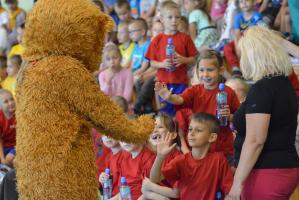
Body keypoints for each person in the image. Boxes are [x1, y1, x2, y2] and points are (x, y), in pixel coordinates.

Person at [226, 26, 299, 200]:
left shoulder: (263, 88)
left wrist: (237, 183)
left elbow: (255, 140)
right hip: (281, 167)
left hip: (268, 170)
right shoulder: (284, 84)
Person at [155, 49, 240, 156]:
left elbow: (240, 116)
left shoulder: (229, 92)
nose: (205, 74)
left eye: (210, 70)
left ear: (221, 70)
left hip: (223, 148)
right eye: (201, 70)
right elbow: (180, 99)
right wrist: (168, 97)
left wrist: (229, 117)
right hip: (200, 148)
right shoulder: (194, 91)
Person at [150, 112, 233, 199]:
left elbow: (229, 191)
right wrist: (160, 156)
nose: (191, 133)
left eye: (198, 130)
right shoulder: (181, 160)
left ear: (212, 137)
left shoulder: (218, 160)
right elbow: (155, 178)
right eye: (190, 129)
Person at [146, 0, 198, 116]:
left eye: (177, 17)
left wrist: (183, 60)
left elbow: (194, 59)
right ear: (162, 19)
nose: (174, 21)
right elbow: (152, 63)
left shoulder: (185, 38)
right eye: (170, 17)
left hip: (181, 82)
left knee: (182, 113)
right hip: (163, 84)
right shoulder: (157, 40)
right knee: (167, 114)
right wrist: (162, 64)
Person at [142, 112, 181, 199]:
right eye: (152, 127)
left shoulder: (178, 158)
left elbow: (177, 193)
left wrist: (151, 187)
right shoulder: (154, 155)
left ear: (173, 134)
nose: (154, 130)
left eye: (160, 127)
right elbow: (152, 182)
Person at [223, 0, 262, 74]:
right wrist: (237, 46)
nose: (244, 3)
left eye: (246, 1)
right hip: (240, 40)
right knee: (227, 47)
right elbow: (237, 34)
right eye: (241, 1)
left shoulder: (257, 15)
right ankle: (235, 68)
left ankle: (254, 68)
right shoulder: (238, 17)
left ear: (253, 2)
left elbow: (252, 32)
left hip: (253, 41)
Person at [0, 89, 16, 167]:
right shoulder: (0, 118)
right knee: (5, 159)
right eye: (6, 102)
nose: (11, 103)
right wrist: (2, 158)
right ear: (0, 106)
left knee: (12, 160)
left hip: (17, 145)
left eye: (12, 99)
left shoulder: (19, 114)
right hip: (4, 147)